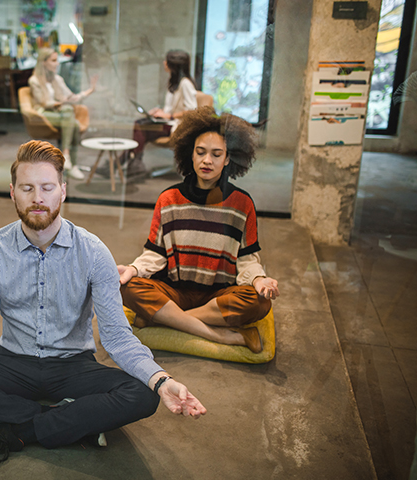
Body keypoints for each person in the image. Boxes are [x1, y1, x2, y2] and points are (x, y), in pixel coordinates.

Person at [0, 140, 206, 464]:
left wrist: (162, 380)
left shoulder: (93, 252)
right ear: (12, 192)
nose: (38, 199)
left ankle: (15, 430)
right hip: (12, 362)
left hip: (73, 365)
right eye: (27, 188)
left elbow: (118, 336)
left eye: (47, 187)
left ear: (62, 190)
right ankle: (71, 419)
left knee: (144, 394)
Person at [118, 107, 279, 353]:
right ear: (190, 154)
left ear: (228, 159)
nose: (207, 161)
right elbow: (156, 253)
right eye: (200, 152)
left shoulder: (242, 204)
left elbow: (247, 259)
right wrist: (133, 268)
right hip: (175, 290)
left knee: (258, 303)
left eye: (216, 154)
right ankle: (224, 336)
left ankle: (168, 319)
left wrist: (259, 280)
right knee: (127, 287)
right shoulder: (169, 199)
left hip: (218, 295)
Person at [115, 50, 198, 178]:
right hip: (168, 121)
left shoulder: (186, 84)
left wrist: (169, 116)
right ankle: (131, 163)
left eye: (167, 61)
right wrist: (159, 112)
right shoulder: (174, 82)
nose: (164, 63)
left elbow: (193, 111)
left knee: (140, 128)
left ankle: (122, 164)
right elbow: (170, 108)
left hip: (177, 126)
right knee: (140, 129)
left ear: (173, 64)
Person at [29, 48, 97, 180]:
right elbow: (44, 103)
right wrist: (61, 103)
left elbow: (72, 97)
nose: (57, 63)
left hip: (61, 115)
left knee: (72, 120)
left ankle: (68, 159)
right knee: (69, 113)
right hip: (43, 115)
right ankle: (71, 162)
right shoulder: (34, 81)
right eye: (53, 60)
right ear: (43, 62)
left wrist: (90, 90)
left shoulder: (57, 79)